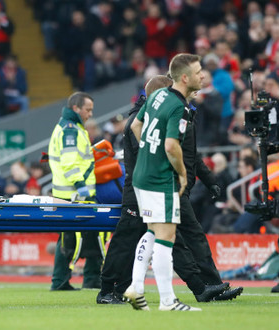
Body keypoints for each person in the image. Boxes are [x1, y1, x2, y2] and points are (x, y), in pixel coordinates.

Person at [98, 75, 242, 305]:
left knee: (171, 241)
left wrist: (203, 178)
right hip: (141, 193)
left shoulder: (155, 118)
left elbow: (187, 153)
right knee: (129, 241)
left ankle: (201, 287)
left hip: (158, 190)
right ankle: (108, 289)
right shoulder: (144, 120)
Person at [125, 53, 204, 311]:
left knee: (152, 230)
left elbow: (135, 125)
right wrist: (182, 173)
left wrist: (148, 151)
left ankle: (136, 287)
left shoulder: (157, 95)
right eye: (199, 71)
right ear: (185, 77)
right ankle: (168, 301)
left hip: (142, 175)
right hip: (160, 178)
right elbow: (171, 146)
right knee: (166, 236)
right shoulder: (178, 107)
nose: (203, 75)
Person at [47, 91, 101, 291]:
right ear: (76, 108)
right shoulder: (71, 130)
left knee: (85, 236)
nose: (90, 114)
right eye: (88, 110)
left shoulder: (69, 127)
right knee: (73, 238)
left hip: (70, 194)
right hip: (74, 195)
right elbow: (71, 165)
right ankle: (62, 281)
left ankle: (84, 279)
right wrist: (83, 190)